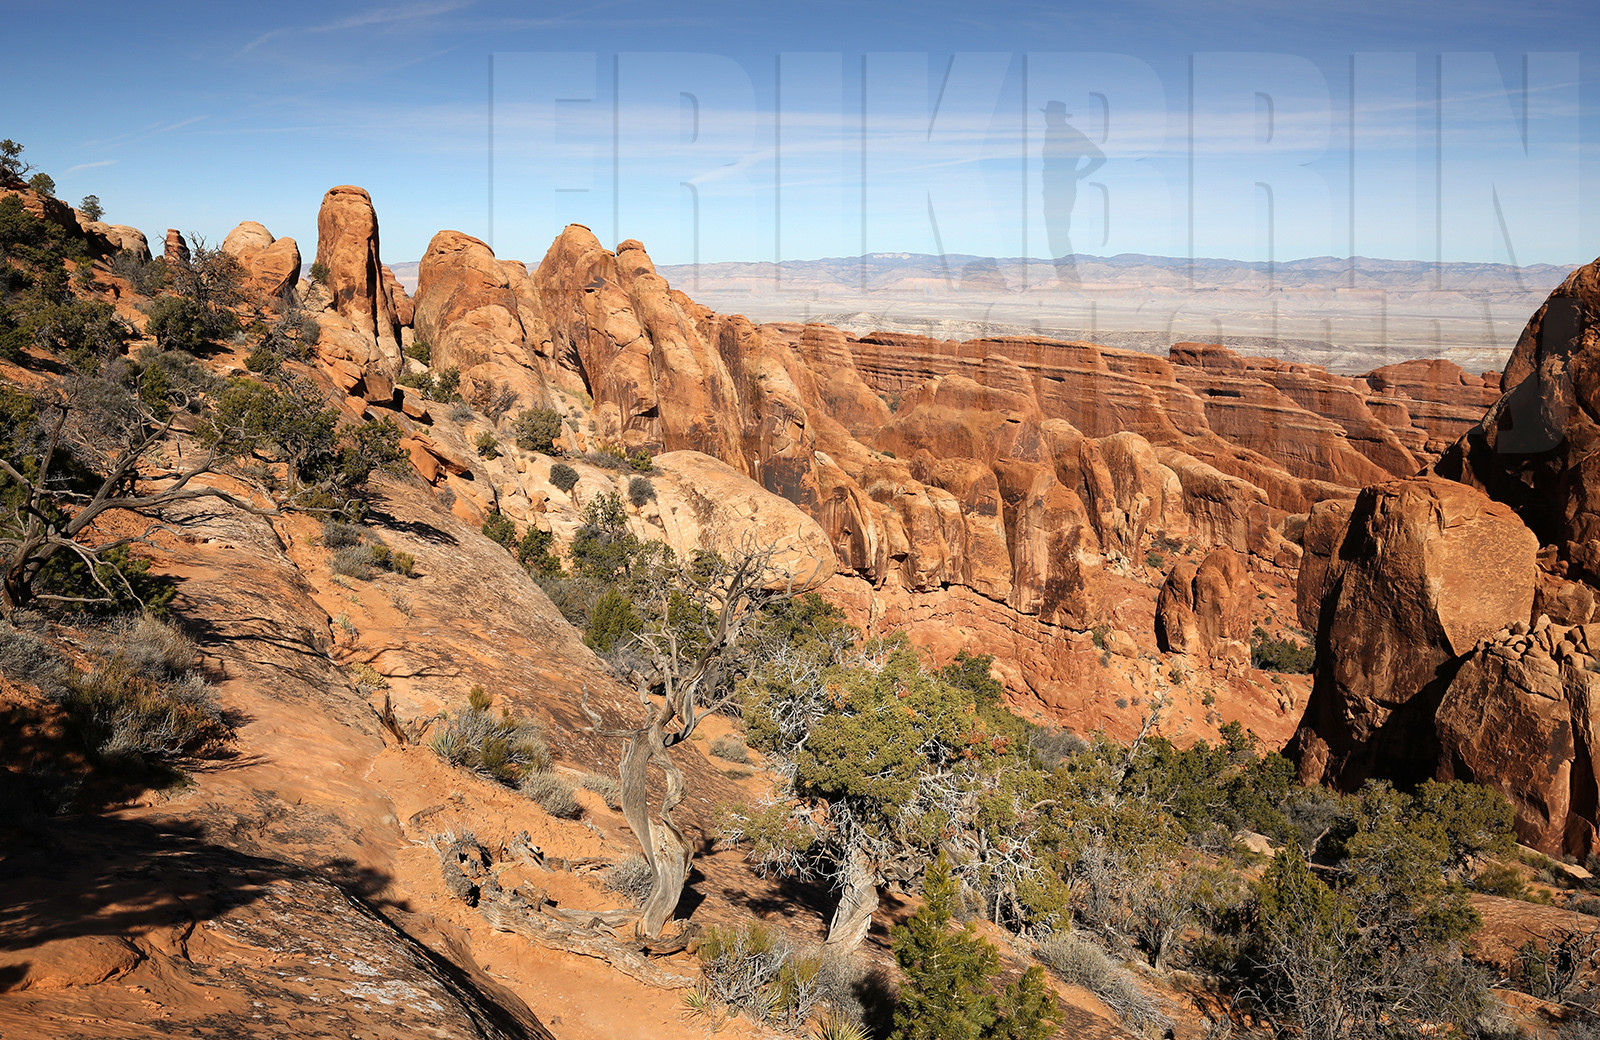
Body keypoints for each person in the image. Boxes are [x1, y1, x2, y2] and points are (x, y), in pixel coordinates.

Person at [1041, 100, 1105, 286]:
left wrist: (1078, 174)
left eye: (1050, 114)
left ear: (1059, 117)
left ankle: (1070, 281)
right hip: (1051, 189)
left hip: (1062, 190)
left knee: (1058, 234)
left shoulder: (1072, 135)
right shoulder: (1050, 133)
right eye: (1047, 114)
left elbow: (1099, 157)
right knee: (1055, 235)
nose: (1047, 118)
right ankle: (1067, 281)